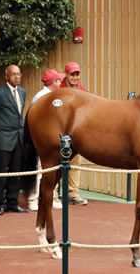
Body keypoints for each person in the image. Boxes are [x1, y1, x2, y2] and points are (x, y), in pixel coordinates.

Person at [0, 65, 28, 215]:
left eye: (18, 74)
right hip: (3, 138)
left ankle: (13, 203)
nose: (17, 77)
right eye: (13, 74)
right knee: (1, 174)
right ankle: (0, 205)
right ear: (7, 77)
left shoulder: (22, 92)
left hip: (18, 139)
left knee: (16, 172)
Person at [28, 69, 66, 211]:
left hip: (50, 139)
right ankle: (33, 198)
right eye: (58, 80)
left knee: (49, 169)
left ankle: (50, 196)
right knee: (38, 169)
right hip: (41, 139)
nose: (60, 83)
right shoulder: (42, 97)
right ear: (53, 82)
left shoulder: (51, 96)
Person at [59, 61, 88, 206]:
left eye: (77, 74)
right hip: (59, 134)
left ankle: (73, 193)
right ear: (66, 75)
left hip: (76, 135)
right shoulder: (59, 89)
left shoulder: (83, 90)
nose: (75, 77)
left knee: (75, 163)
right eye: (72, 74)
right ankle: (52, 194)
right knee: (56, 163)